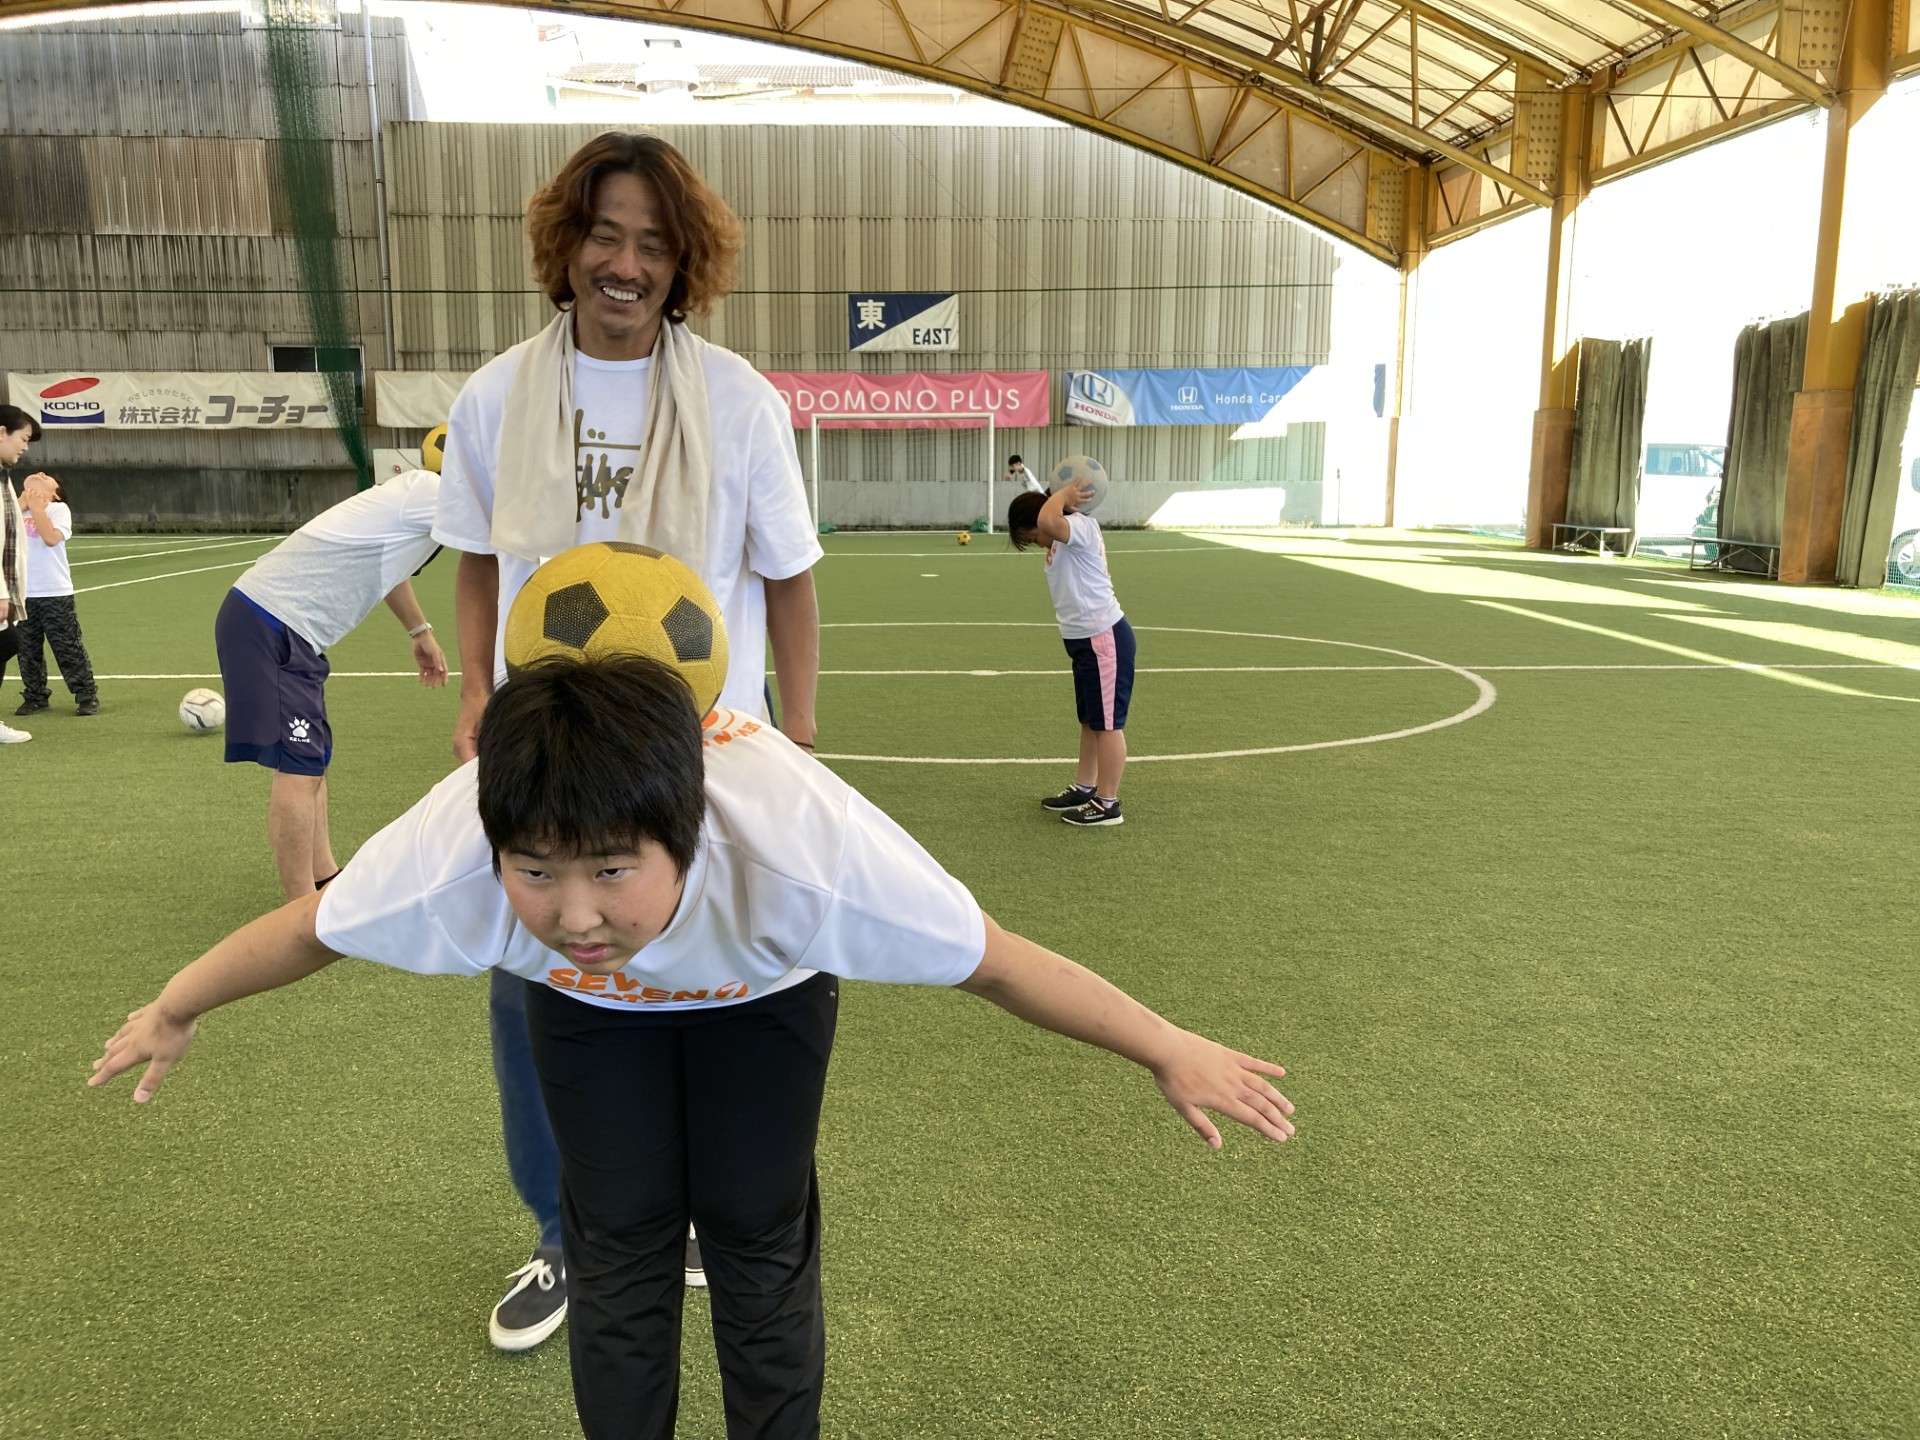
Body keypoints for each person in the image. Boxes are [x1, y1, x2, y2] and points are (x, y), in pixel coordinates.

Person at [89, 652, 1296, 1440]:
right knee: (619, 1248)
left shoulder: (802, 847)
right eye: (537, 873)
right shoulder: (458, 846)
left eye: (614, 871)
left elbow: (997, 961)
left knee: (757, 1243)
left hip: (764, 1003)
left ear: (689, 833)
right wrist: (177, 1005)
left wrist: (1162, 1043)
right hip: (586, 1019)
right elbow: (313, 929)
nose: (575, 913)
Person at [431, 131, 822, 1345]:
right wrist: (473, 694)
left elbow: (789, 575)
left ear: (683, 263)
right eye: (605, 234)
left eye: (653, 243)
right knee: (536, 995)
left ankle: (688, 1220)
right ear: (567, 245)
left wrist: (801, 732)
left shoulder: (739, 401)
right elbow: (479, 560)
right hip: (547, 754)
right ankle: (563, 1238)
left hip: (701, 753)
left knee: (706, 981)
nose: (626, 263)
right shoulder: (498, 396)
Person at [215, 467, 449, 900]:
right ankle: (302, 905)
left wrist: (420, 631)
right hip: (270, 622)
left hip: (289, 629)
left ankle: (325, 878)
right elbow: (500, 539)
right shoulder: (431, 491)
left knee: (312, 761)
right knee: (299, 767)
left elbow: (389, 568)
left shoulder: (417, 501)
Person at [1006, 481, 1134, 827]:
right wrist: (1055, 502)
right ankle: (1085, 787)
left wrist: (1062, 494)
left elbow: (1048, 521)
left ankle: (1108, 803)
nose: (1036, 541)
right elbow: (1046, 523)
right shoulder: (1062, 536)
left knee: (1108, 724)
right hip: (1082, 641)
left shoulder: (1080, 526)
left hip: (1103, 637)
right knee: (1090, 720)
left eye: (1032, 536)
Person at [13, 469, 99, 719]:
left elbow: (50, 538)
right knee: (27, 650)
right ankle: (35, 696)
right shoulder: (14, 510)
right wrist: (19, 505)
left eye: (47, 477)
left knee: (67, 647)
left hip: (55, 592)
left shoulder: (58, 510)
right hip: (23, 593)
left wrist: (37, 508)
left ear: (55, 493)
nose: (40, 472)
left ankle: (86, 695)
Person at [0, 406, 36, 745]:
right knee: (6, 642)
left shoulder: (4, 476)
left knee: (6, 642)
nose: (25, 447)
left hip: (7, 585)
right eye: (23, 438)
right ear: (1, 433)